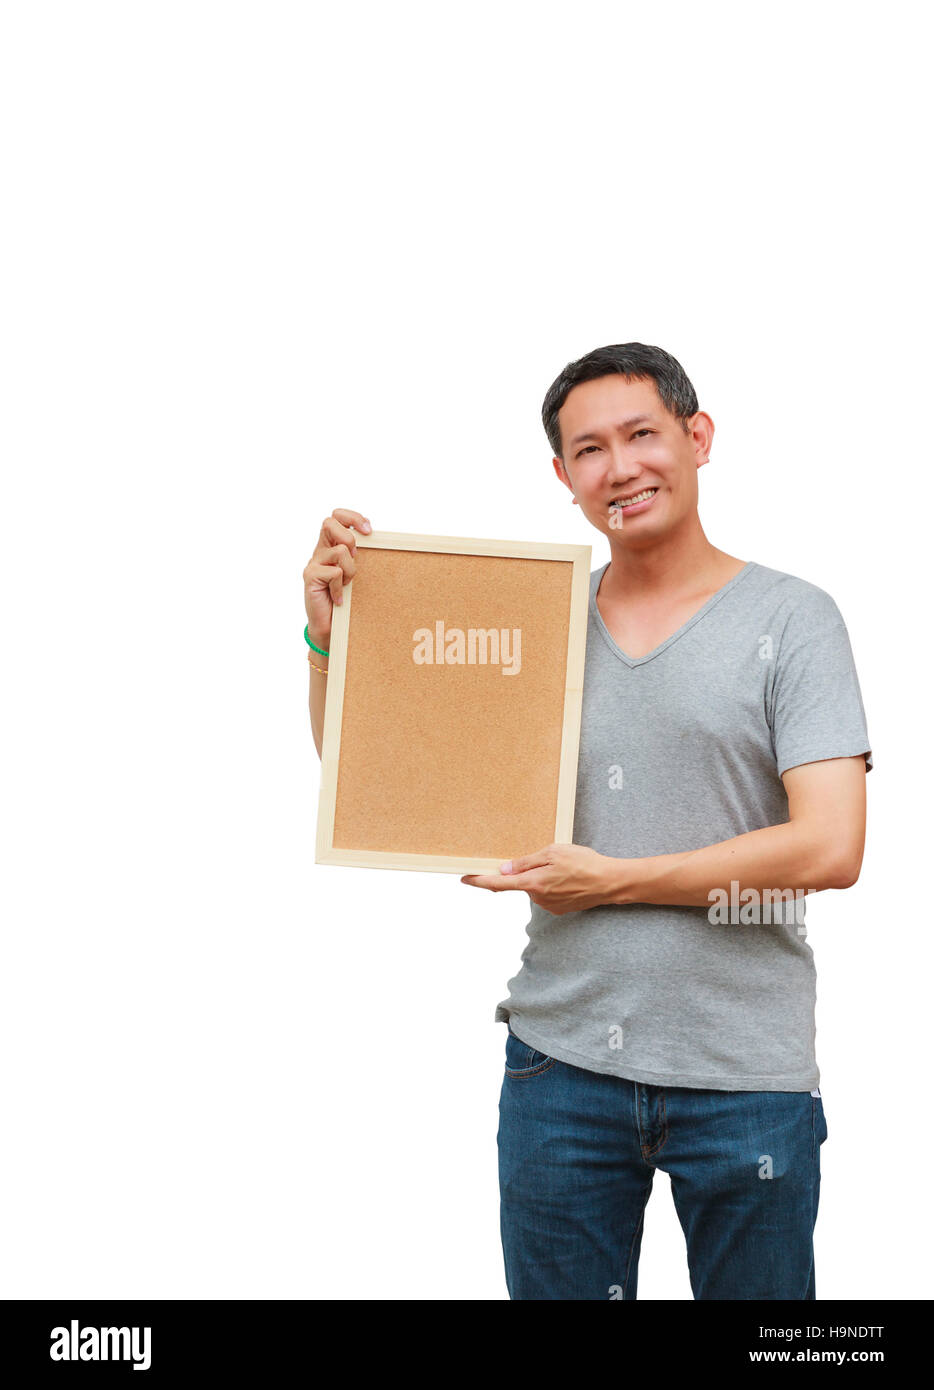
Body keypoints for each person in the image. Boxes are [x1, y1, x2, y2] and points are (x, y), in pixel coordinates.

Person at [302, 342, 872, 1301]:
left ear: (698, 438)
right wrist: (329, 636)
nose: (621, 467)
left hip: (744, 1076)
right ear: (563, 478)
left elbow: (832, 846)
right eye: (589, 450)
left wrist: (612, 880)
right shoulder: (535, 622)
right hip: (558, 1071)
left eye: (642, 434)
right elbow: (385, 782)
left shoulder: (794, 619)